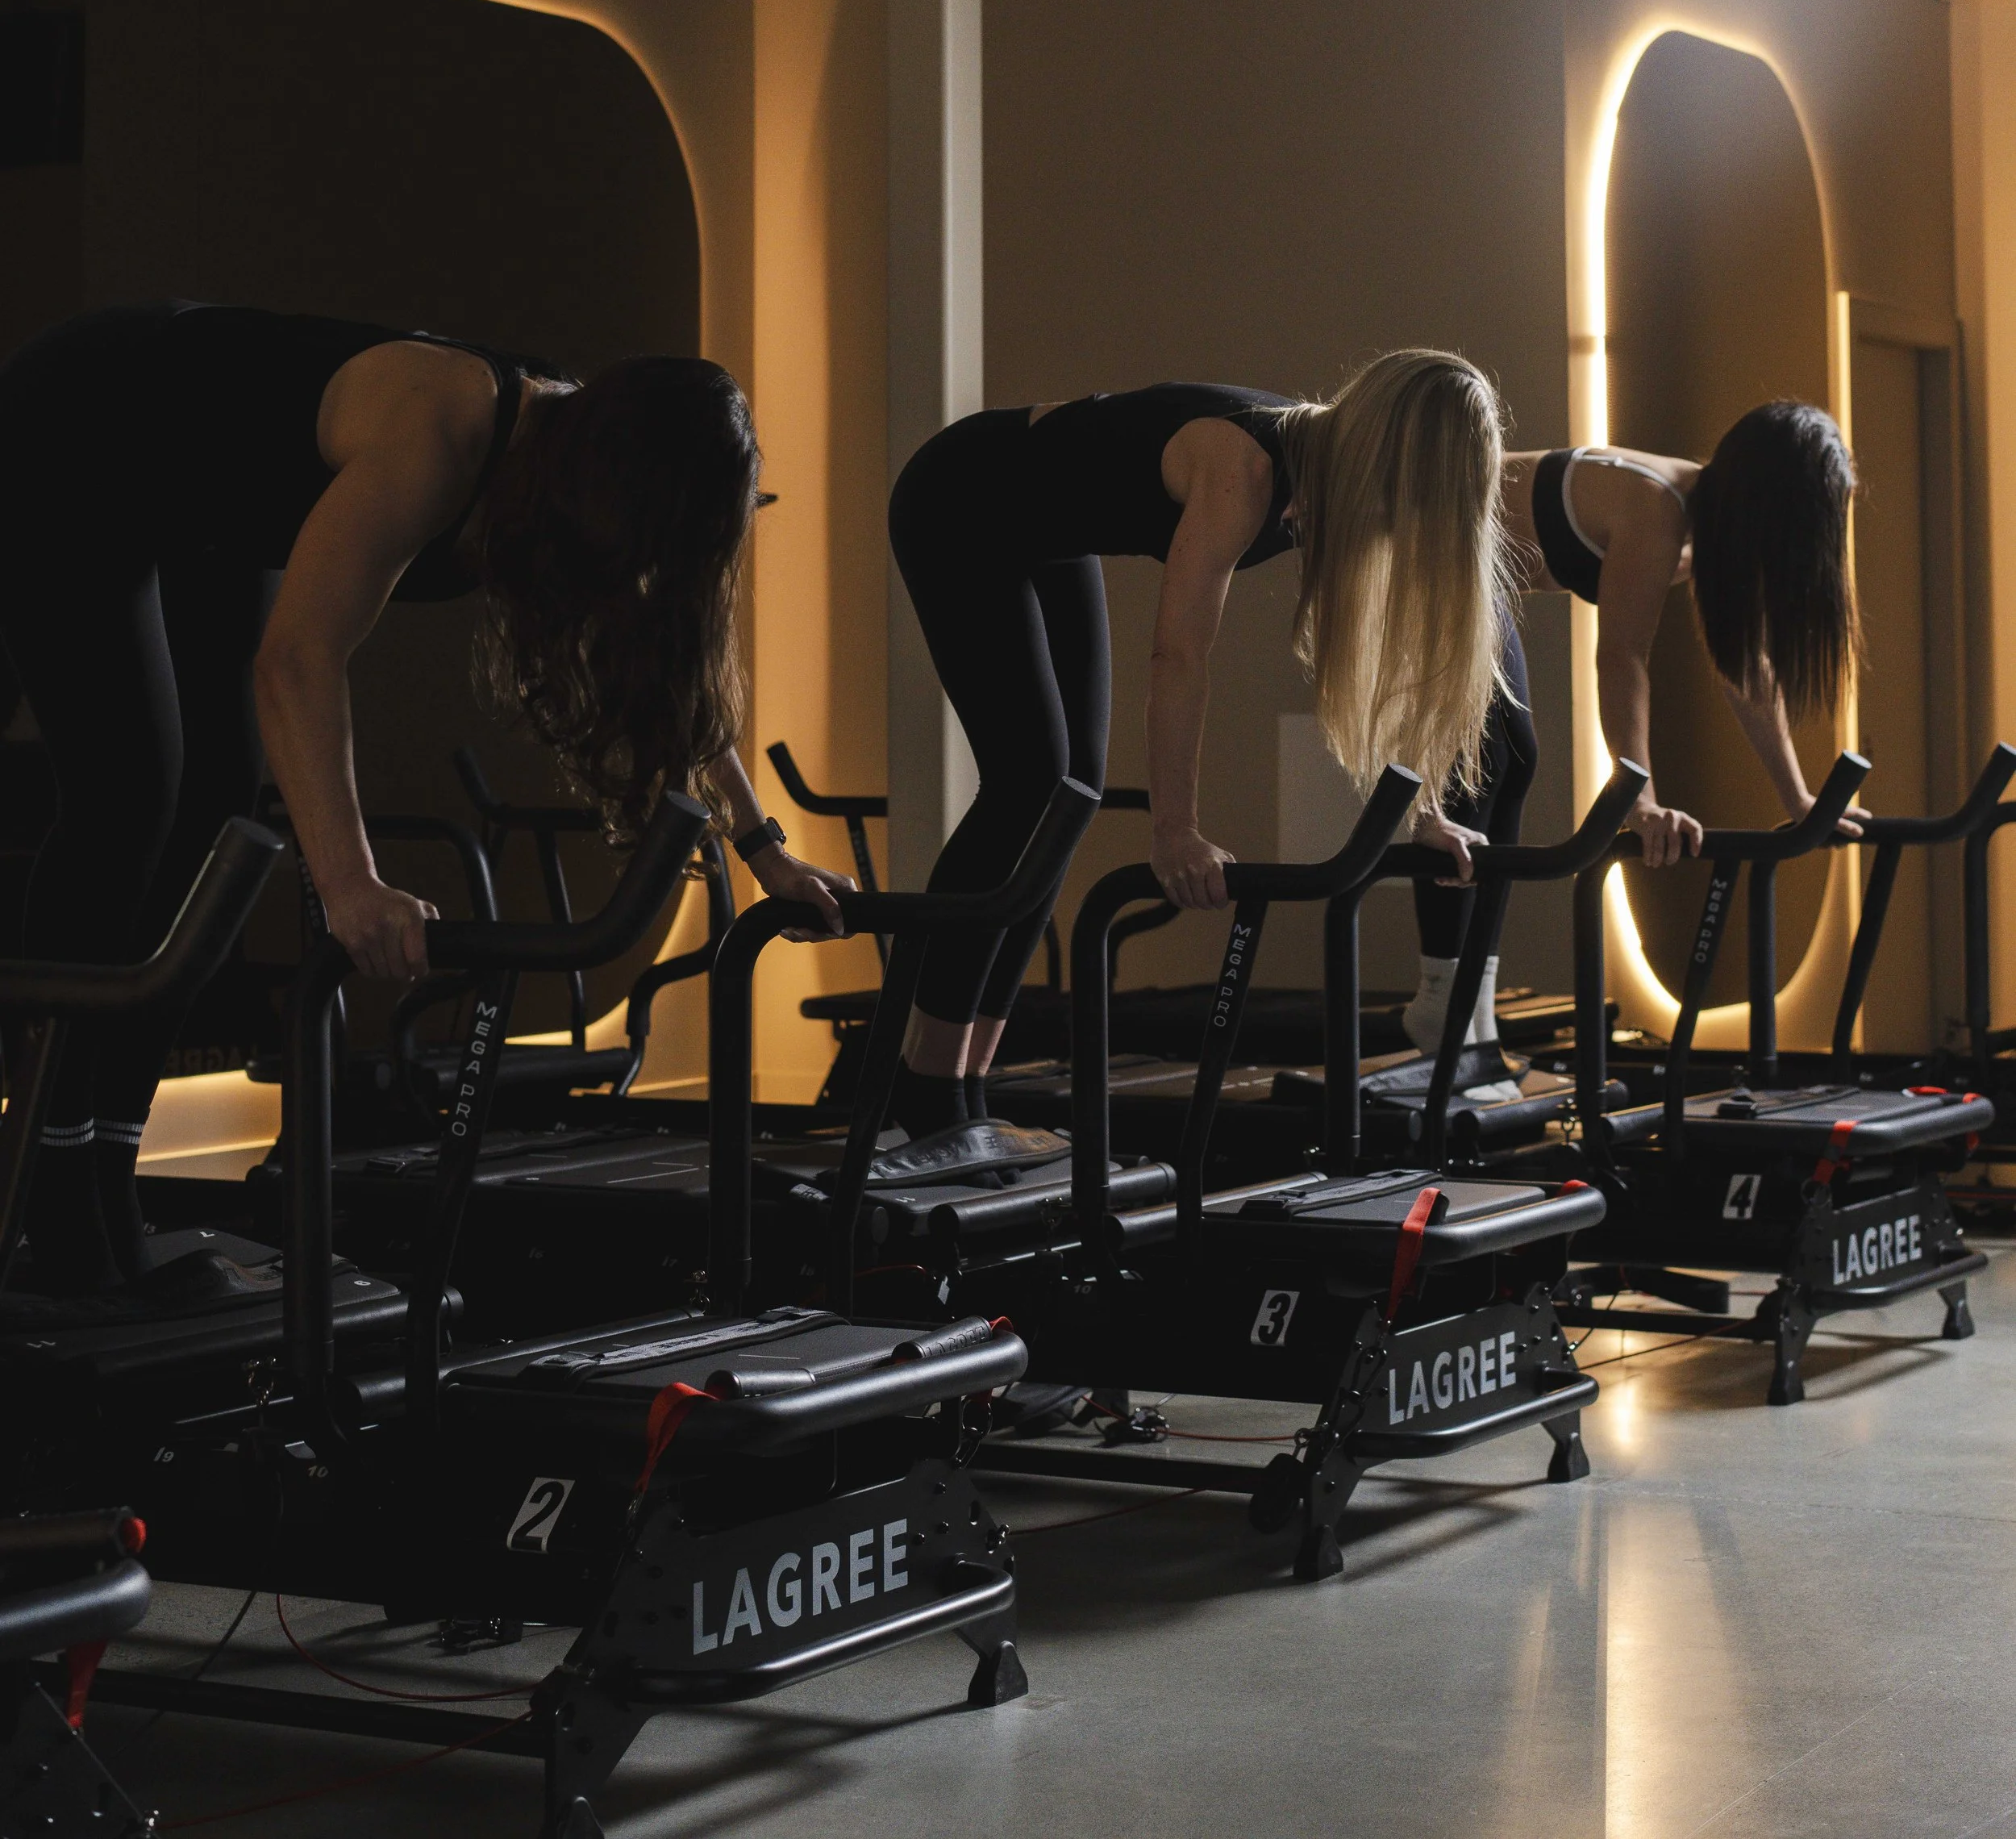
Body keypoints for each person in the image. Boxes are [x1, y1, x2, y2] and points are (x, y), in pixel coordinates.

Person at [0, 301, 833, 1300]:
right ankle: (48, 1195)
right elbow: (298, 659)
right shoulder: (443, 429)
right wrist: (352, 883)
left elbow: (665, 677)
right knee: (134, 793)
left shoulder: (584, 467)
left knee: (219, 812)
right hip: (83, 426)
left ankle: (101, 1184)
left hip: (215, 507)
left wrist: (764, 846)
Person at [757, 351, 1513, 1141]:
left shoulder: (1336, 482)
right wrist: (1174, 831)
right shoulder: (1246, 469)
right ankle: (925, 1083)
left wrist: (1425, 812)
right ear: (1388, 447)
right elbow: (1179, 653)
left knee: (1066, 799)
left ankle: (964, 1088)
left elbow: (1387, 656)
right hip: (958, 497)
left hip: (1045, 533)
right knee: (1029, 783)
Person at [1401, 405, 1862, 1057]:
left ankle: (1465, 1009)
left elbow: (1747, 674)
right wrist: (1638, 802)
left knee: (1509, 760)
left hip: (1471, 569)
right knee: (1496, 755)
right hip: (1428, 536)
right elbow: (1621, 656)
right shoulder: (1658, 506)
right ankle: (1444, 999)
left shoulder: (1708, 536)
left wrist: (1799, 801)